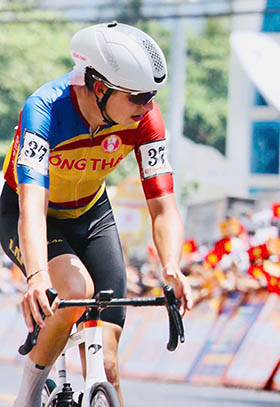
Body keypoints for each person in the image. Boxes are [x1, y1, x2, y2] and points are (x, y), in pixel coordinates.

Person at [0, 22, 194, 407]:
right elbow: (32, 206)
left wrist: (172, 267)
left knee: (106, 364)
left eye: (153, 96)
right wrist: (37, 277)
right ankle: (28, 395)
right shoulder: (45, 109)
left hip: (92, 214)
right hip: (33, 214)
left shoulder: (145, 119)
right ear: (101, 87)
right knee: (76, 290)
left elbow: (162, 205)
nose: (147, 106)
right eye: (138, 97)